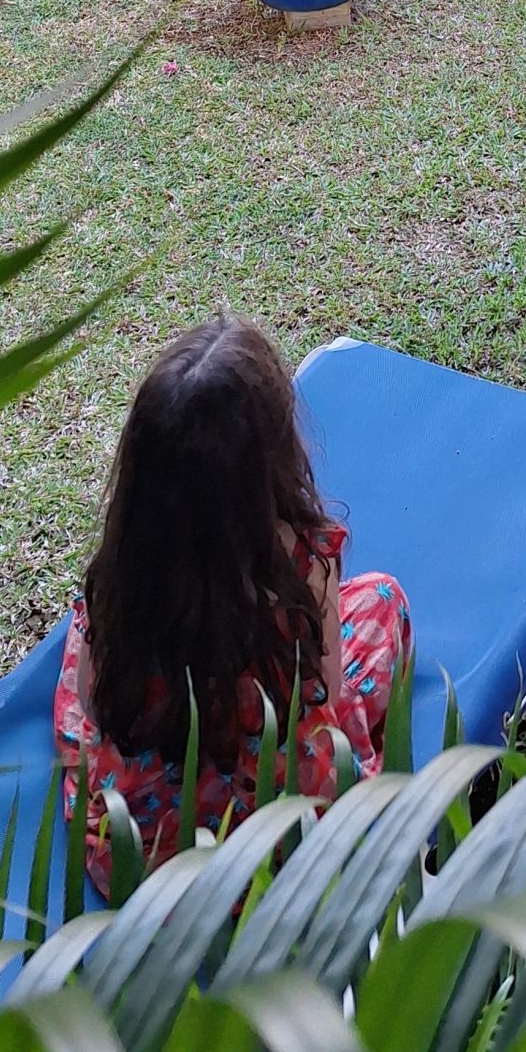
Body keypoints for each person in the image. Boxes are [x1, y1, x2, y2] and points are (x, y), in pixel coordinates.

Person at [54, 317, 411, 891]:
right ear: (271, 461)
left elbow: (95, 706)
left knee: (82, 644)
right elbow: (328, 689)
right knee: (384, 600)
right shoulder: (302, 569)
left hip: (146, 854)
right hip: (276, 843)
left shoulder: (121, 583)